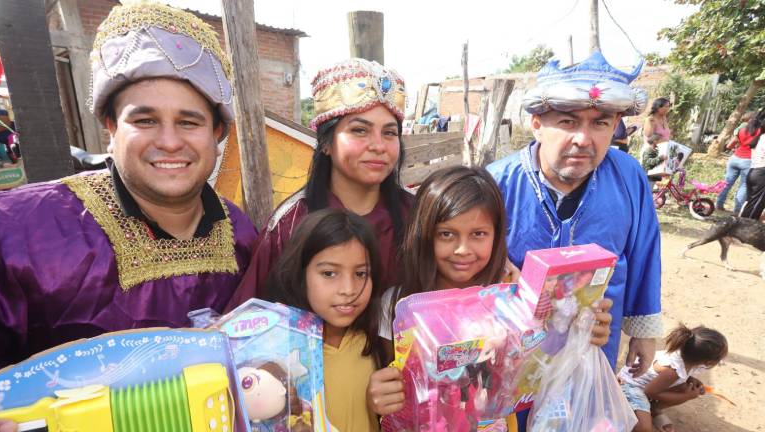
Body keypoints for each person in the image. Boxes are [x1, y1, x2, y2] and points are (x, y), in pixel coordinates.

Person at [0, 2, 258, 369]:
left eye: (188, 122)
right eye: (146, 120)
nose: (169, 142)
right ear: (111, 127)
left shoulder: (242, 235)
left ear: (216, 133)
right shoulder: (18, 232)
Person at [366, 166, 614, 430]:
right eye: (446, 234)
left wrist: (582, 331)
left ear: (496, 236)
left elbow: (545, 360)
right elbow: (387, 376)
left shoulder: (515, 301)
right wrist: (379, 393)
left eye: (478, 234)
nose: (463, 250)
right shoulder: (397, 305)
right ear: (423, 234)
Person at [486, 53, 662, 422]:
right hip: (514, 350)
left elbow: (644, 250)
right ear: (537, 124)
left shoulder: (629, 176)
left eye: (600, 123)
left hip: (596, 342)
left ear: (615, 125)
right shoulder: (495, 184)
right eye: (568, 122)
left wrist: (643, 331)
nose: (584, 139)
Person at [228, 58, 413, 307]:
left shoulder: (416, 216)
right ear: (326, 143)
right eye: (360, 130)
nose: (379, 146)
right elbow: (250, 319)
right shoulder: (290, 225)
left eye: (389, 133)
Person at [264, 208, 384, 431]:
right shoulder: (278, 355)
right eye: (329, 273)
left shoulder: (374, 342)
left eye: (361, 274)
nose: (348, 290)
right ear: (300, 275)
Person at [617, 324, 728, 432]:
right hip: (630, 386)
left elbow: (681, 376)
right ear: (708, 362)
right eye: (719, 360)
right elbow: (650, 391)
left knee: (688, 387)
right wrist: (686, 396)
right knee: (644, 428)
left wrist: (690, 380)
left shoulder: (687, 357)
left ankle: (654, 409)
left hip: (650, 386)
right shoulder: (672, 370)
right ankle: (629, 412)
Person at [717, 110, 762, 212]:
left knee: (727, 183)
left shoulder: (742, 130)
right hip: (749, 161)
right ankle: (737, 210)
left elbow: (729, 145)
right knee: (743, 186)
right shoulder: (760, 133)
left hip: (735, 158)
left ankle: (719, 204)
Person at [740, 131, 765, 220]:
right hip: (761, 173)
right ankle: (746, 226)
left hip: (753, 171)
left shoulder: (760, 137)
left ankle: (740, 224)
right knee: (756, 204)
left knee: (751, 203)